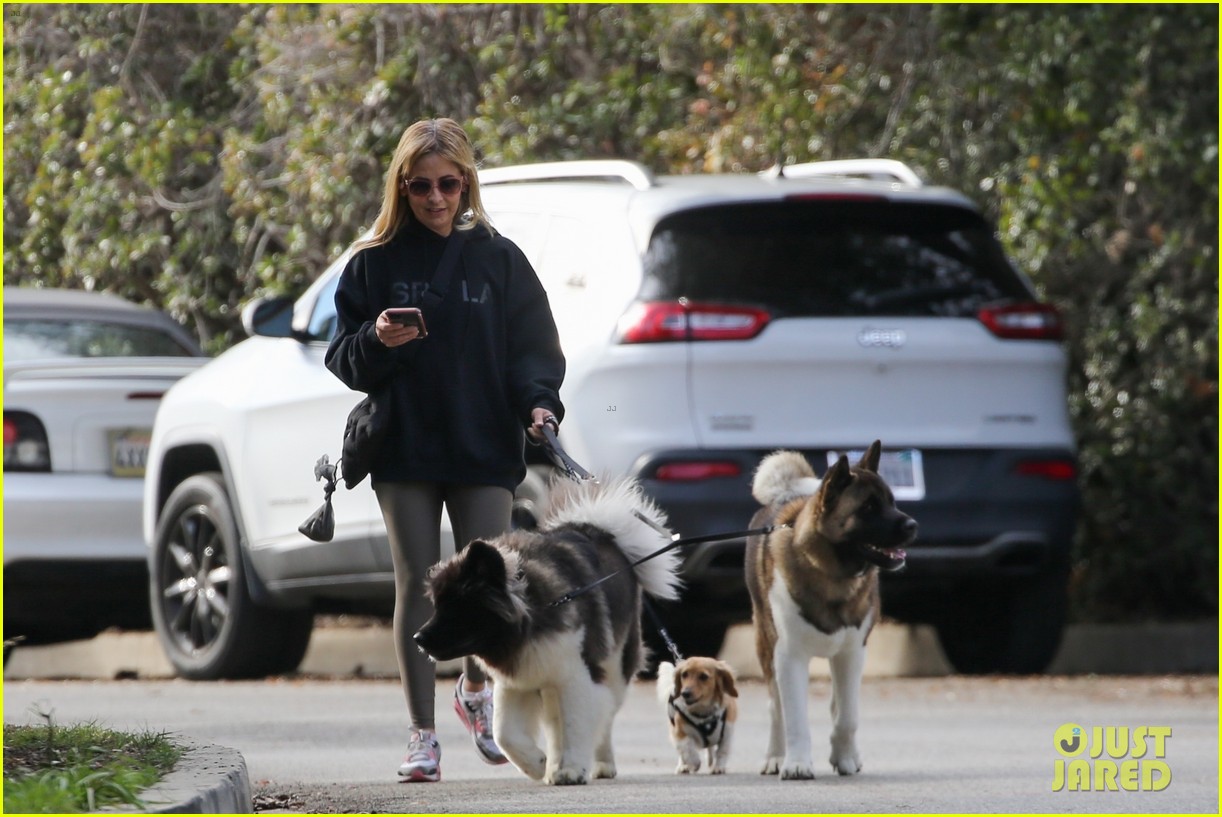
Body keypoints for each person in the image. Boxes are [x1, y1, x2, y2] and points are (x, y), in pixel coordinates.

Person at [325, 118, 565, 782]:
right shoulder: (373, 262)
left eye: (449, 184)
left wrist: (541, 402)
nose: (436, 198)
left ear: (467, 183)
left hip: (484, 440)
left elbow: (532, 351)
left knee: (488, 582)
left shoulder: (498, 258)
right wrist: (376, 338)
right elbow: (343, 359)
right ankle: (422, 734)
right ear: (402, 185)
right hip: (404, 444)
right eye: (422, 185)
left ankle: (476, 689)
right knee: (415, 583)